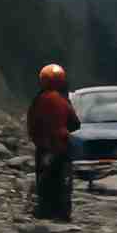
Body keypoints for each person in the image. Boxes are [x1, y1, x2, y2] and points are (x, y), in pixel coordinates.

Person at [27, 63, 80, 219]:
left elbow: (32, 124)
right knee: (63, 181)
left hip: (45, 147)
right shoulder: (63, 100)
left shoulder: (40, 100)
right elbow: (75, 123)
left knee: (44, 180)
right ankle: (63, 212)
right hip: (62, 146)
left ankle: (45, 211)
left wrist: (37, 140)